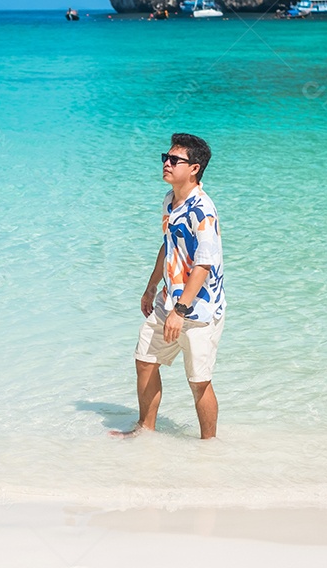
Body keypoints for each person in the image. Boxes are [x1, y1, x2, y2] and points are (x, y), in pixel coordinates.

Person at [115, 133, 226, 439]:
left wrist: (180, 310)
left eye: (175, 160)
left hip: (199, 309)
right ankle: (145, 431)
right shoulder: (170, 201)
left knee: (199, 381)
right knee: (145, 361)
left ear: (194, 168)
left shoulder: (203, 211)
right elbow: (169, 245)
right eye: (166, 157)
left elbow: (203, 264)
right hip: (169, 301)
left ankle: (209, 446)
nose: (167, 163)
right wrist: (151, 286)